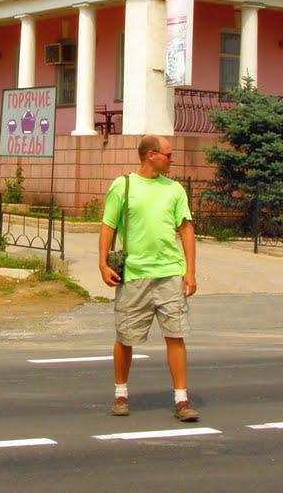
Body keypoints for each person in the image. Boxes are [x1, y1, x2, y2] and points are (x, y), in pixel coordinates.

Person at [98, 134, 199, 422]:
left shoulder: (175, 190)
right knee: (125, 336)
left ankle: (182, 399)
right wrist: (103, 264)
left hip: (169, 273)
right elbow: (108, 226)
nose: (172, 158)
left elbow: (186, 229)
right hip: (134, 275)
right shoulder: (124, 186)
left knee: (175, 335)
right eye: (168, 154)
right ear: (151, 155)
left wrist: (190, 271)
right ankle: (120, 393)